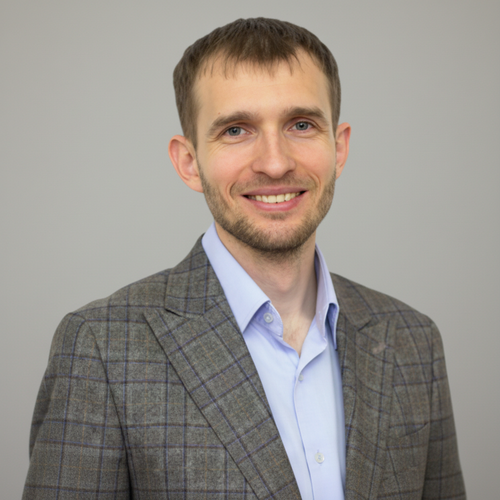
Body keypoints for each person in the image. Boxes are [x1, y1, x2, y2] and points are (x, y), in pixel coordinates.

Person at [23, 18, 465, 500]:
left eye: (301, 125)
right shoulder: (102, 349)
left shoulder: (412, 342)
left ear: (338, 149)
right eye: (236, 130)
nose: (275, 163)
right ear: (189, 162)